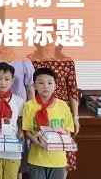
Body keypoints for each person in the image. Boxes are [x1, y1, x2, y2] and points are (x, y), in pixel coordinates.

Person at [22, 67, 74, 179]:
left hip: (58, 160)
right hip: (37, 159)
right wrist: (37, 141)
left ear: (55, 85)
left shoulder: (63, 106)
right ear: (34, 86)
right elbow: (27, 131)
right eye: (41, 83)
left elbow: (69, 130)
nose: (45, 86)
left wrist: (57, 138)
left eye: (50, 83)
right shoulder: (29, 106)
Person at [27, 43, 80, 171]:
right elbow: (30, 87)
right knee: (41, 146)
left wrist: (75, 116)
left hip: (61, 112)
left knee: (62, 152)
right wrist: (33, 109)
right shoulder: (30, 59)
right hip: (39, 111)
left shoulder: (66, 61)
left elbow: (72, 90)